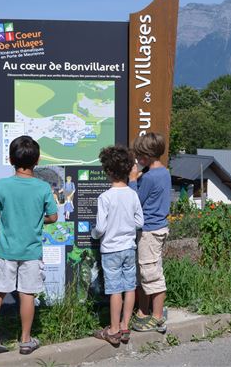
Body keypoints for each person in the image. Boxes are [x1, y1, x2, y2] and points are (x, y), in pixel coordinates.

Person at [0, 135, 58, 356]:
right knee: (27, 294)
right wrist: (37, 219)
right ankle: (25, 340)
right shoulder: (42, 188)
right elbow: (53, 216)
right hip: (31, 252)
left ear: (11, 159)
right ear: (38, 160)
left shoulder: (2, 185)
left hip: (4, 249)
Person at [92, 145, 144, 345]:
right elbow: (139, 222)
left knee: (115, 290)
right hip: (129, 247)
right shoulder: (132, 195)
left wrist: (94, 234)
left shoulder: (105, 197)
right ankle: (124, 326)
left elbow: (101, 228)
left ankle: (112, 330)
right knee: (130, 287)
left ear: (107, 171)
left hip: (111, 250)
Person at [129, 132, 171, 333]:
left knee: (150, 273)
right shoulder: (164, 172)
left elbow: (136, 201)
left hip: (149, 230)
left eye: (139, 156)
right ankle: (143, 311)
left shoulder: (149, 177)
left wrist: (132, 180)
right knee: (145, 271)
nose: (137, 159)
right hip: (159, 227)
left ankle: (156, 316)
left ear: (146, 156)